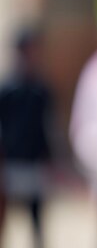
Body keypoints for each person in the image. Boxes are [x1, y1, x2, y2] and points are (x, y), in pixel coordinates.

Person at [0, 27, 54, 248]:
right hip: (10, 163)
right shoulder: (7, 89)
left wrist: (50, 158)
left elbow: (49, 128)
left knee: (37, 220)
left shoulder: (41, 89)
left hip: (34, 163)